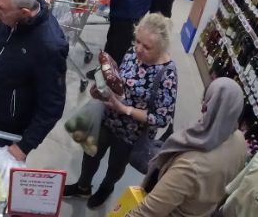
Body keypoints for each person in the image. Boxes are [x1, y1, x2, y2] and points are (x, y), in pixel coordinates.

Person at [64, 13, 177, 209]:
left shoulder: (167, 73)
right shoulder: (133, 53)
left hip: (131, 134)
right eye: (137, 41)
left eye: (146, 47)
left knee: (116, 167)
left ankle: (106, 189)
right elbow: (119, 81)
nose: (139, 49)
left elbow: (161, 117)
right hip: (107, 118)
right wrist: (101, 90)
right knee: (90, 154)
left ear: (161, 47)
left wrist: (125, 109)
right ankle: (83, 186)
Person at [126, 78, 247, 217]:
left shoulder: (190, 165)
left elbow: (149, 212)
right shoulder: (240, 141)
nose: (202, 108)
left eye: (206, 104)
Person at [0, 0, 68, 161]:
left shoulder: (49, 46)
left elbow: (52, 106)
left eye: (1, 8)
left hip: (11, 128)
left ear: (25, 13)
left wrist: (24, 146)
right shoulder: (11, 18)